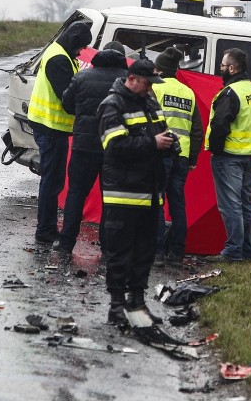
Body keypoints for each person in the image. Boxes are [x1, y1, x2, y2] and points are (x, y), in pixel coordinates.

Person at [97, 59, 173, 324]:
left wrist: (169, 142)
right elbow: (115, 146)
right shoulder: (112, 105)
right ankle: (117, 306)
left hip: (150, 191)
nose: (151, 89)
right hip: (124, 192)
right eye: (148, 83)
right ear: (132, 79)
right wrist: (153, 143)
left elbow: (162, 131)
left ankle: (137, 304)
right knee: (120, 254)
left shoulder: (150, 103)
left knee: (145, 252)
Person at [55, 41, 129, 255]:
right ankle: (108, 248)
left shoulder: (82, 77)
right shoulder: (128, 81)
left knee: (76, 194)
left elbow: (68, 105)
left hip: (84, 147)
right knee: (111, 198)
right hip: (114, 149)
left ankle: (67, 242)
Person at [27, 22, 92, 245]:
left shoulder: (61, 53)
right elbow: (67, 99)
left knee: (52, 181)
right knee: (52, 182)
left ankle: (47, 228)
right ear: (74, 40)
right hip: (51, 127)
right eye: (81, 46)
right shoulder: (59, 59)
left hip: (53, 128)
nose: (81, 51)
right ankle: (45, 230)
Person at [204, 48, 251, 262]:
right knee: (245, 204)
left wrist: (216, 150)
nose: (221, 69)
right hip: (249, 156)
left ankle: (233, 252)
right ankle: (248, 251)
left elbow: (220, 124)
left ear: (232, 68)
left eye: (222, 65)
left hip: (229, 156)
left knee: (231, 205)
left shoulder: (231, 93)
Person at [152, 47, 205, 268]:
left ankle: (156, 254)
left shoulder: (155, 88)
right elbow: (197, 130)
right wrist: (192, 158)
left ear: (160, 70)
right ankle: (177, 253)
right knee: (178, 205)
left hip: (160, 154)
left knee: (156, 202)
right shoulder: (188, 92)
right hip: (181, 157)